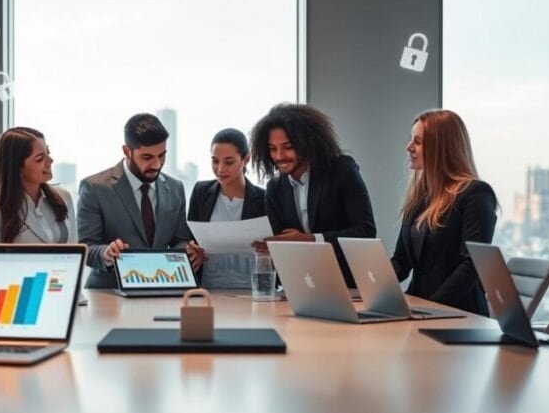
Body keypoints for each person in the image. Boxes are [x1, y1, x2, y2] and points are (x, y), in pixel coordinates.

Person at [251, 103, 376, 287]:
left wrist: (310, 240)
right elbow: (280, 245)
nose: (279, 156)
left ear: (307, 143)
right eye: (272, 148)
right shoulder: (275, 189)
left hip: (348, 285)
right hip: (301, 286)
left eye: (288, 146)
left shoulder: (342, 170)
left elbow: (366, 231)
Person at [390, 109, 498, 316]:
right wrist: (369, 281)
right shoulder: (420, 198)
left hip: (460, 315)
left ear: (441, 147)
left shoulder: (475, 194)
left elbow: (472, 264)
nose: (408, 147)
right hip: (421, 308)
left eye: (418, 142)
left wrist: (432, 308)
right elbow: (401, 263)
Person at [77, 112, 194, 288]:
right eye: (147, 157)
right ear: (127, 151)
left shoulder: (175, 188)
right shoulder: (95, 188)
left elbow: (180, 239)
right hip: (108, 295)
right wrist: (106, 253)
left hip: (162, 289)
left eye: (162, 155)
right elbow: (86, 247)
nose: (157, 165)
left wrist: (189, 251)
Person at [187, 128, 266, 289]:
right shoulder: (201, 192)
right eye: (215, 161)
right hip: (207, 290)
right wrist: (192, 250)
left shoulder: (264, 199)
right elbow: (189, 239)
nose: (220, 169)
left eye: (229, 162)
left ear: (246, 159)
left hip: (252, 291)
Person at [0, 127, 77, 244]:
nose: (50, 160)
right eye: (39, 159)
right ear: (17, 167)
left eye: (47, 153)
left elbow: (75, 249)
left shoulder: (63, 197)